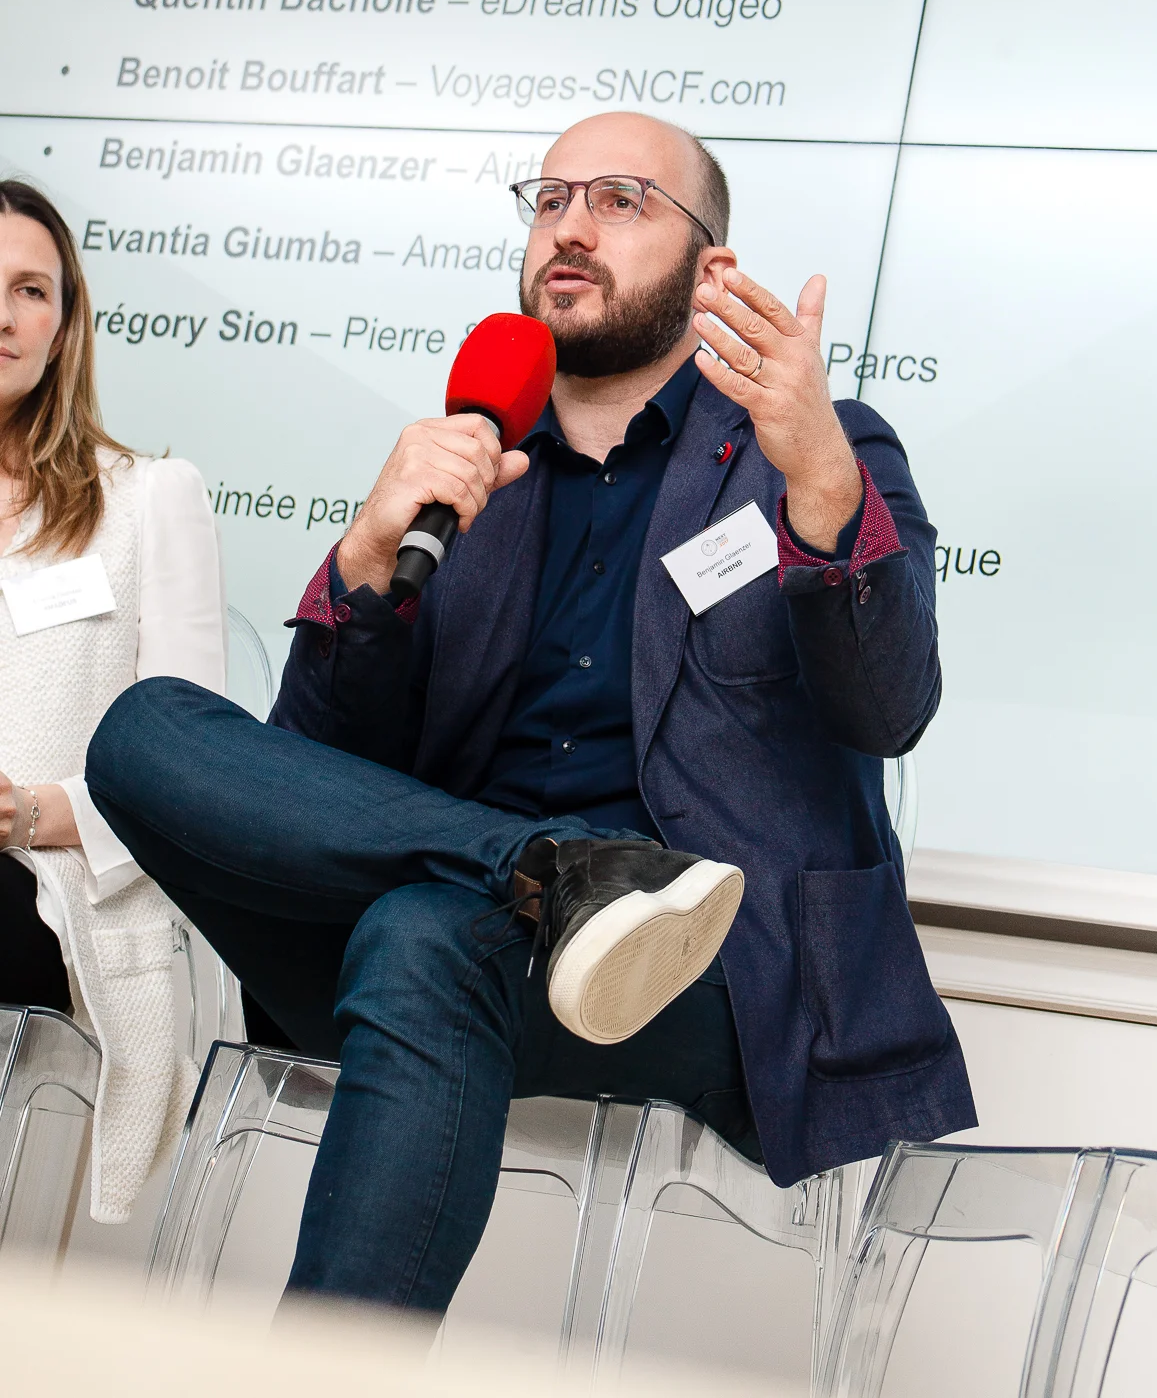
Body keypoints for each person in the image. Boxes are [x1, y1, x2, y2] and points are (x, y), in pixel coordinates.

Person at [86, 111, 974, 1308]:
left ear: (712, 262)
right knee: (142, 728)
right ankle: (556, 867)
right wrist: (363, 558)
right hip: (467, 898)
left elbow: (892, 706)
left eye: (618, 200)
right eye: (549, 199)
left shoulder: (811, 449)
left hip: (711, 958)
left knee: (420, 936)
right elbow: (313, 777)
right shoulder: (470, 458)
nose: (569, 227)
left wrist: (819, 476)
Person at [0, 179, 225, 1220]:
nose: (4, 313)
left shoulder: (145, 499)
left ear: (65, 324)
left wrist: (37, 813)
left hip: (52, 896)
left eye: (30, 289)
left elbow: (198, 773)